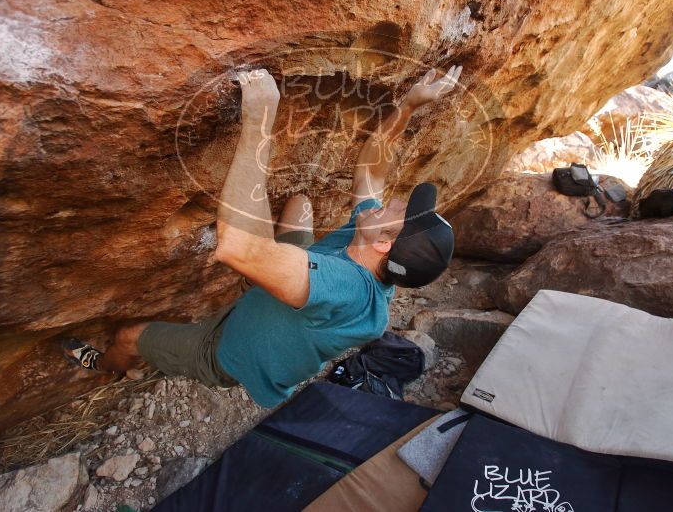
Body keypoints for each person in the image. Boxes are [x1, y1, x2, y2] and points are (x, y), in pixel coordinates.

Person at [62, 65, 462, 407]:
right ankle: (271, 278)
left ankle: (110, 367)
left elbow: (239, 246)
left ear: (384, 244)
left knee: (129, 336)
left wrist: (259, 121)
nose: (391, 200)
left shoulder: (346, 290)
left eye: (401, 212)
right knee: (299, 205)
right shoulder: (370, 248)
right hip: (291, 293)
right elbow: (372, 172)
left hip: (223, 350)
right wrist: (409, 105)